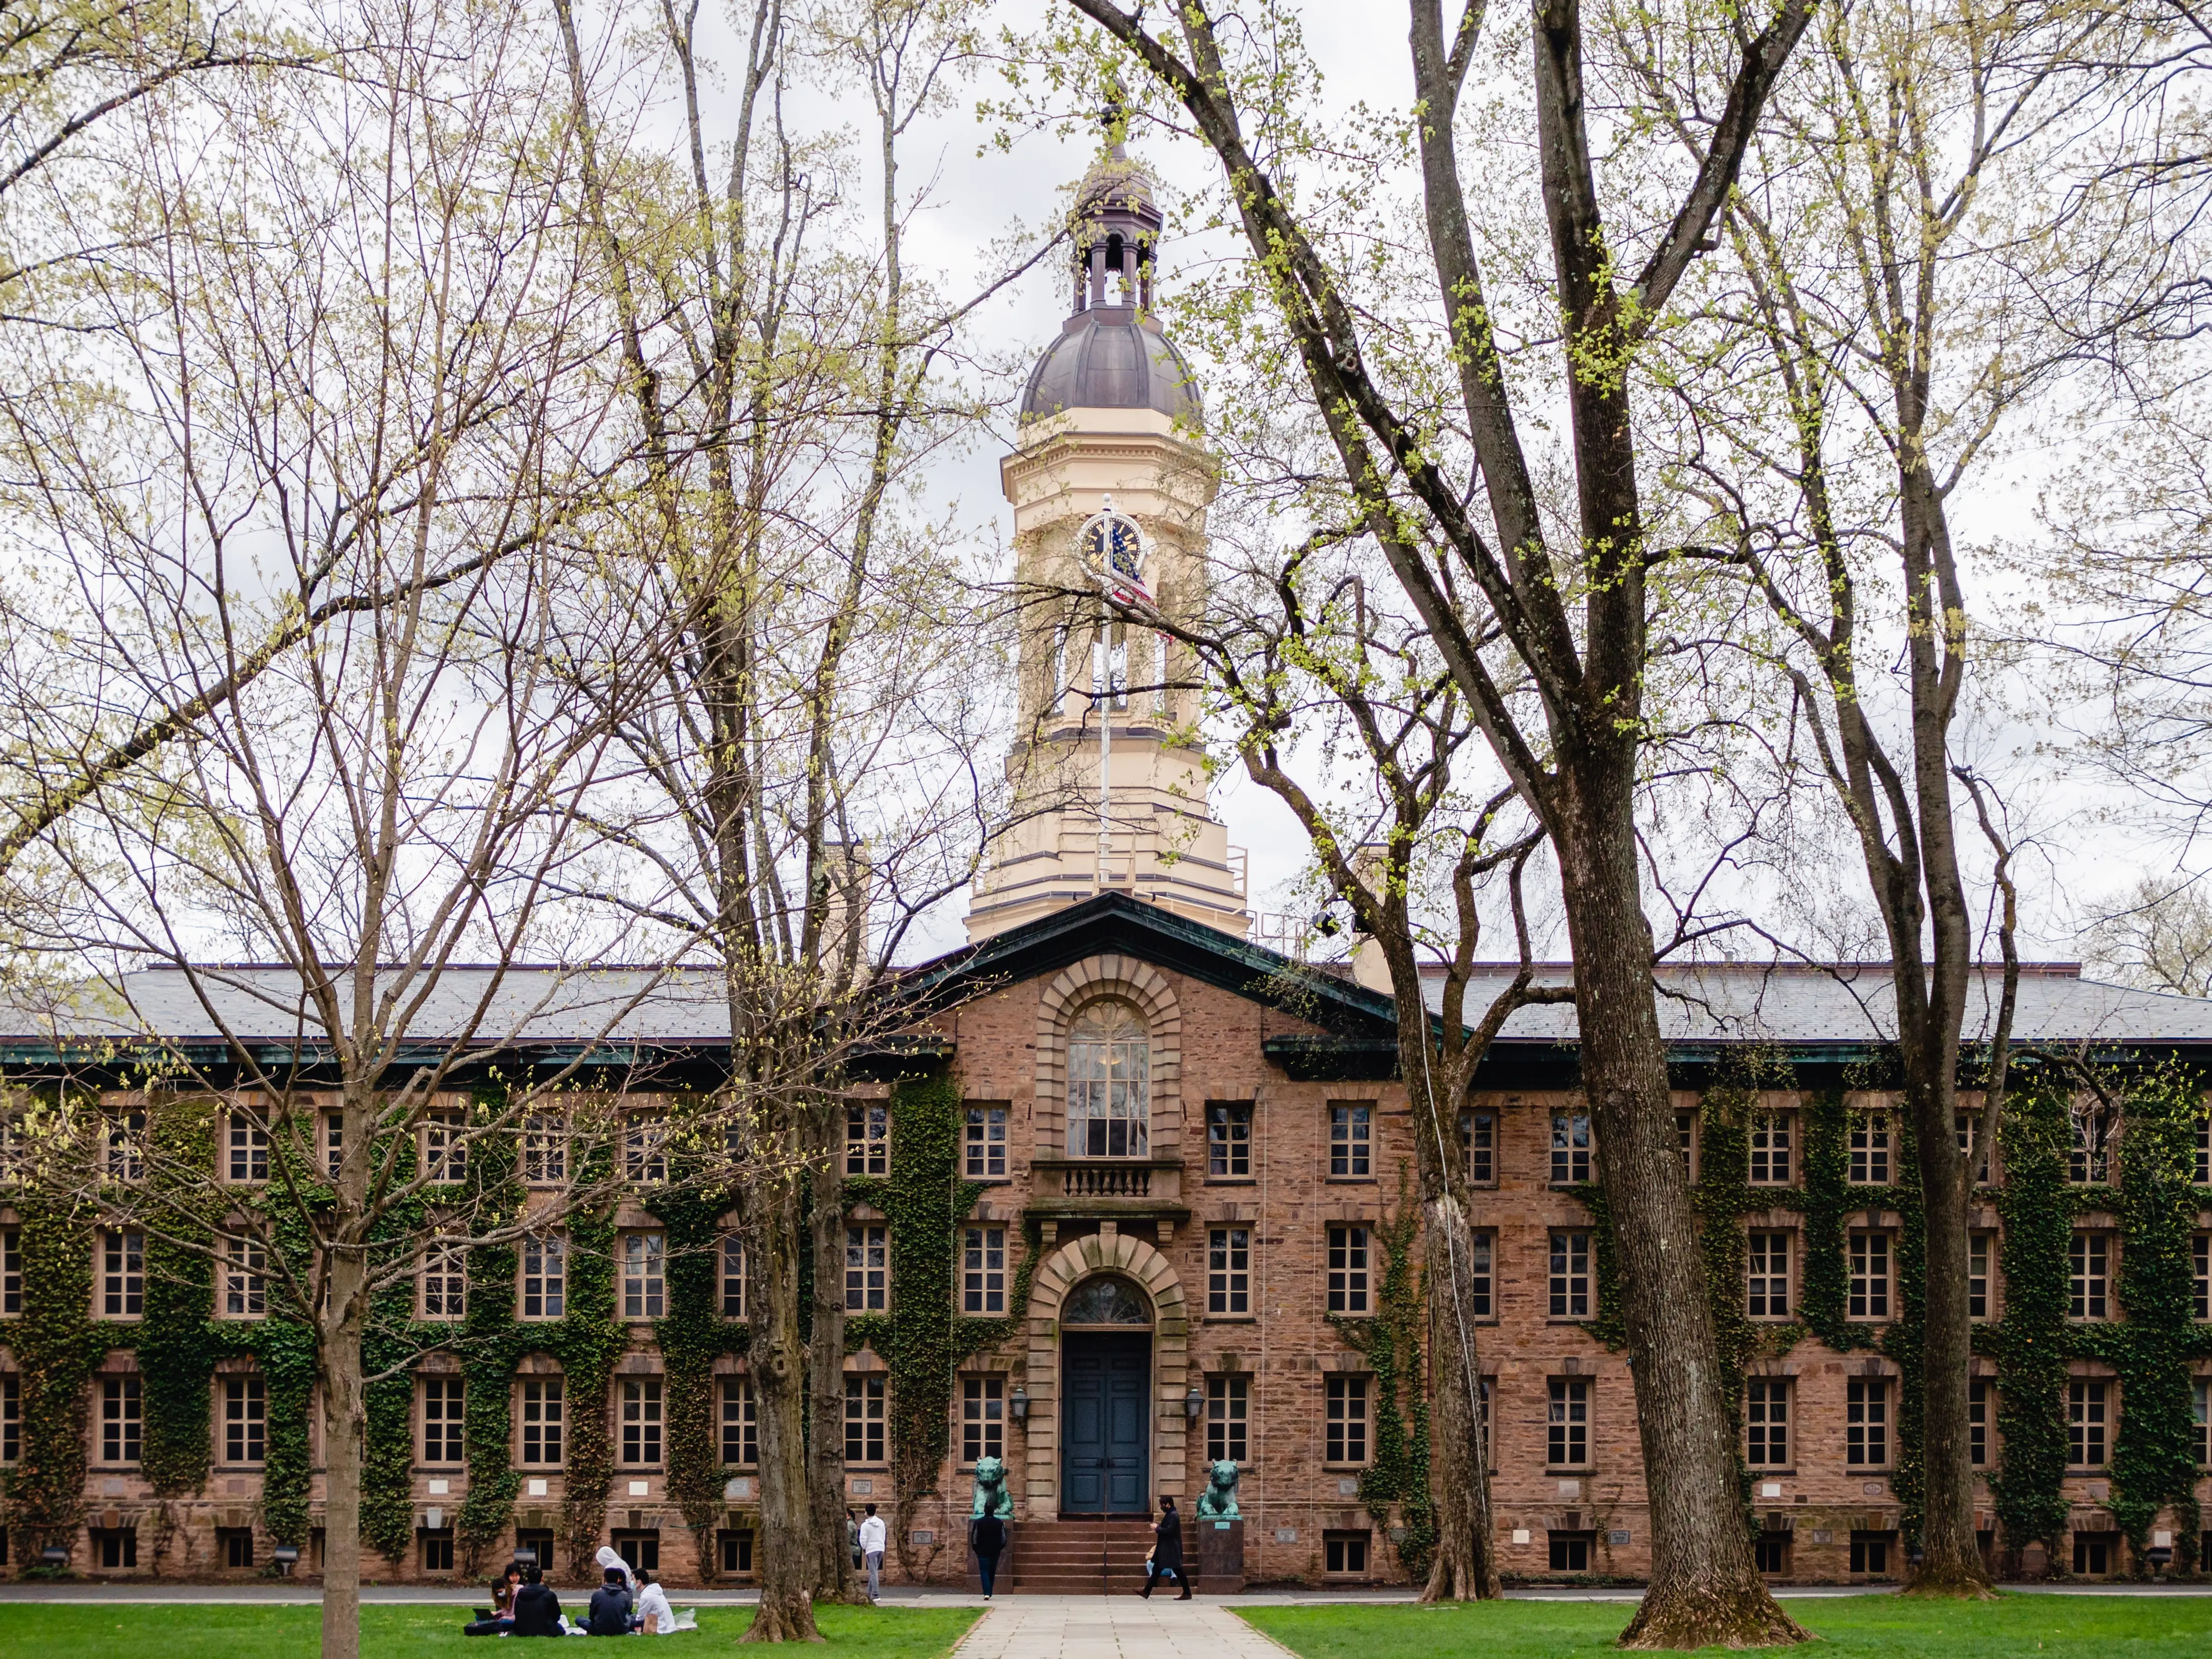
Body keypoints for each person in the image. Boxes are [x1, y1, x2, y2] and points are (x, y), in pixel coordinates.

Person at [1140, 1496, 1189, 1600]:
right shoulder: (1170, 1514)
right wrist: (1158, 1528)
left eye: (1162, 1505)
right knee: (1157, 1569)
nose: (1161, 1507)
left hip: (1171, 1549)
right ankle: (1146, 1592)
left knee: (1178, 1571)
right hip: (1167, 1549)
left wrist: (1157, 1528)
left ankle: (1187, 1593)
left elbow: (1169, 1531)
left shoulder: (1173, 1516)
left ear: (1168, 1505)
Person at [510, 1564, 564, 1637]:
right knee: (560, 1628)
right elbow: (556, 1615)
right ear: (542, 1578)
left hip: (522, 1630)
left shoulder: (520, 1594)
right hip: (545, 1629)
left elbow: (517, 1612)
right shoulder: (549, 1595)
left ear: (527, 1578)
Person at [586, 1566, 634, 1635]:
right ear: (618, 1580)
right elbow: (628, 1609)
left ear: (605, 1579)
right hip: (621, 1629)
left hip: (600, 1629)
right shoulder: (625, 1594)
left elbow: (592, 1615)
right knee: (632, 1617)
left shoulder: (597, 1594)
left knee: (579, 1619)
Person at [970, 1511, 1006, 1601]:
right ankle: (989, 1592)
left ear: (985, 1511)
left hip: (982, 1551)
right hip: (995, 1551)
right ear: (993, 1511)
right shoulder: (999, 1522)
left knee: (984, 1571)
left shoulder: (979, 1522)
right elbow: (1003, 1538)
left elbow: (974, 1538)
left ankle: (987, 1592)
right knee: (992, 1571)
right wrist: (999, 1548)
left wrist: (976, 1549)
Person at [857, 1502, 888, 1602]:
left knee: (873, 1572)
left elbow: (863, 1539)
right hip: (880, 1548)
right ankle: (868, 1593)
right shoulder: (881, 1523)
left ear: (866, 1512)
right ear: (876, 1511)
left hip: (871, 1549)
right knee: (874, 1571)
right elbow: (884, 1535)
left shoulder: (865, 1525)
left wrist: (864, 1548)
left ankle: (876, 1594)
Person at [636, 1569, 675, 1635]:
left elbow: (640, 1618)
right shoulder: (655, 1592)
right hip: (667, 1626)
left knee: (626, 1622)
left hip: (659, 1627)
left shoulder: (646, 1596)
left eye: (632, 1579)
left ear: (639, 1582)